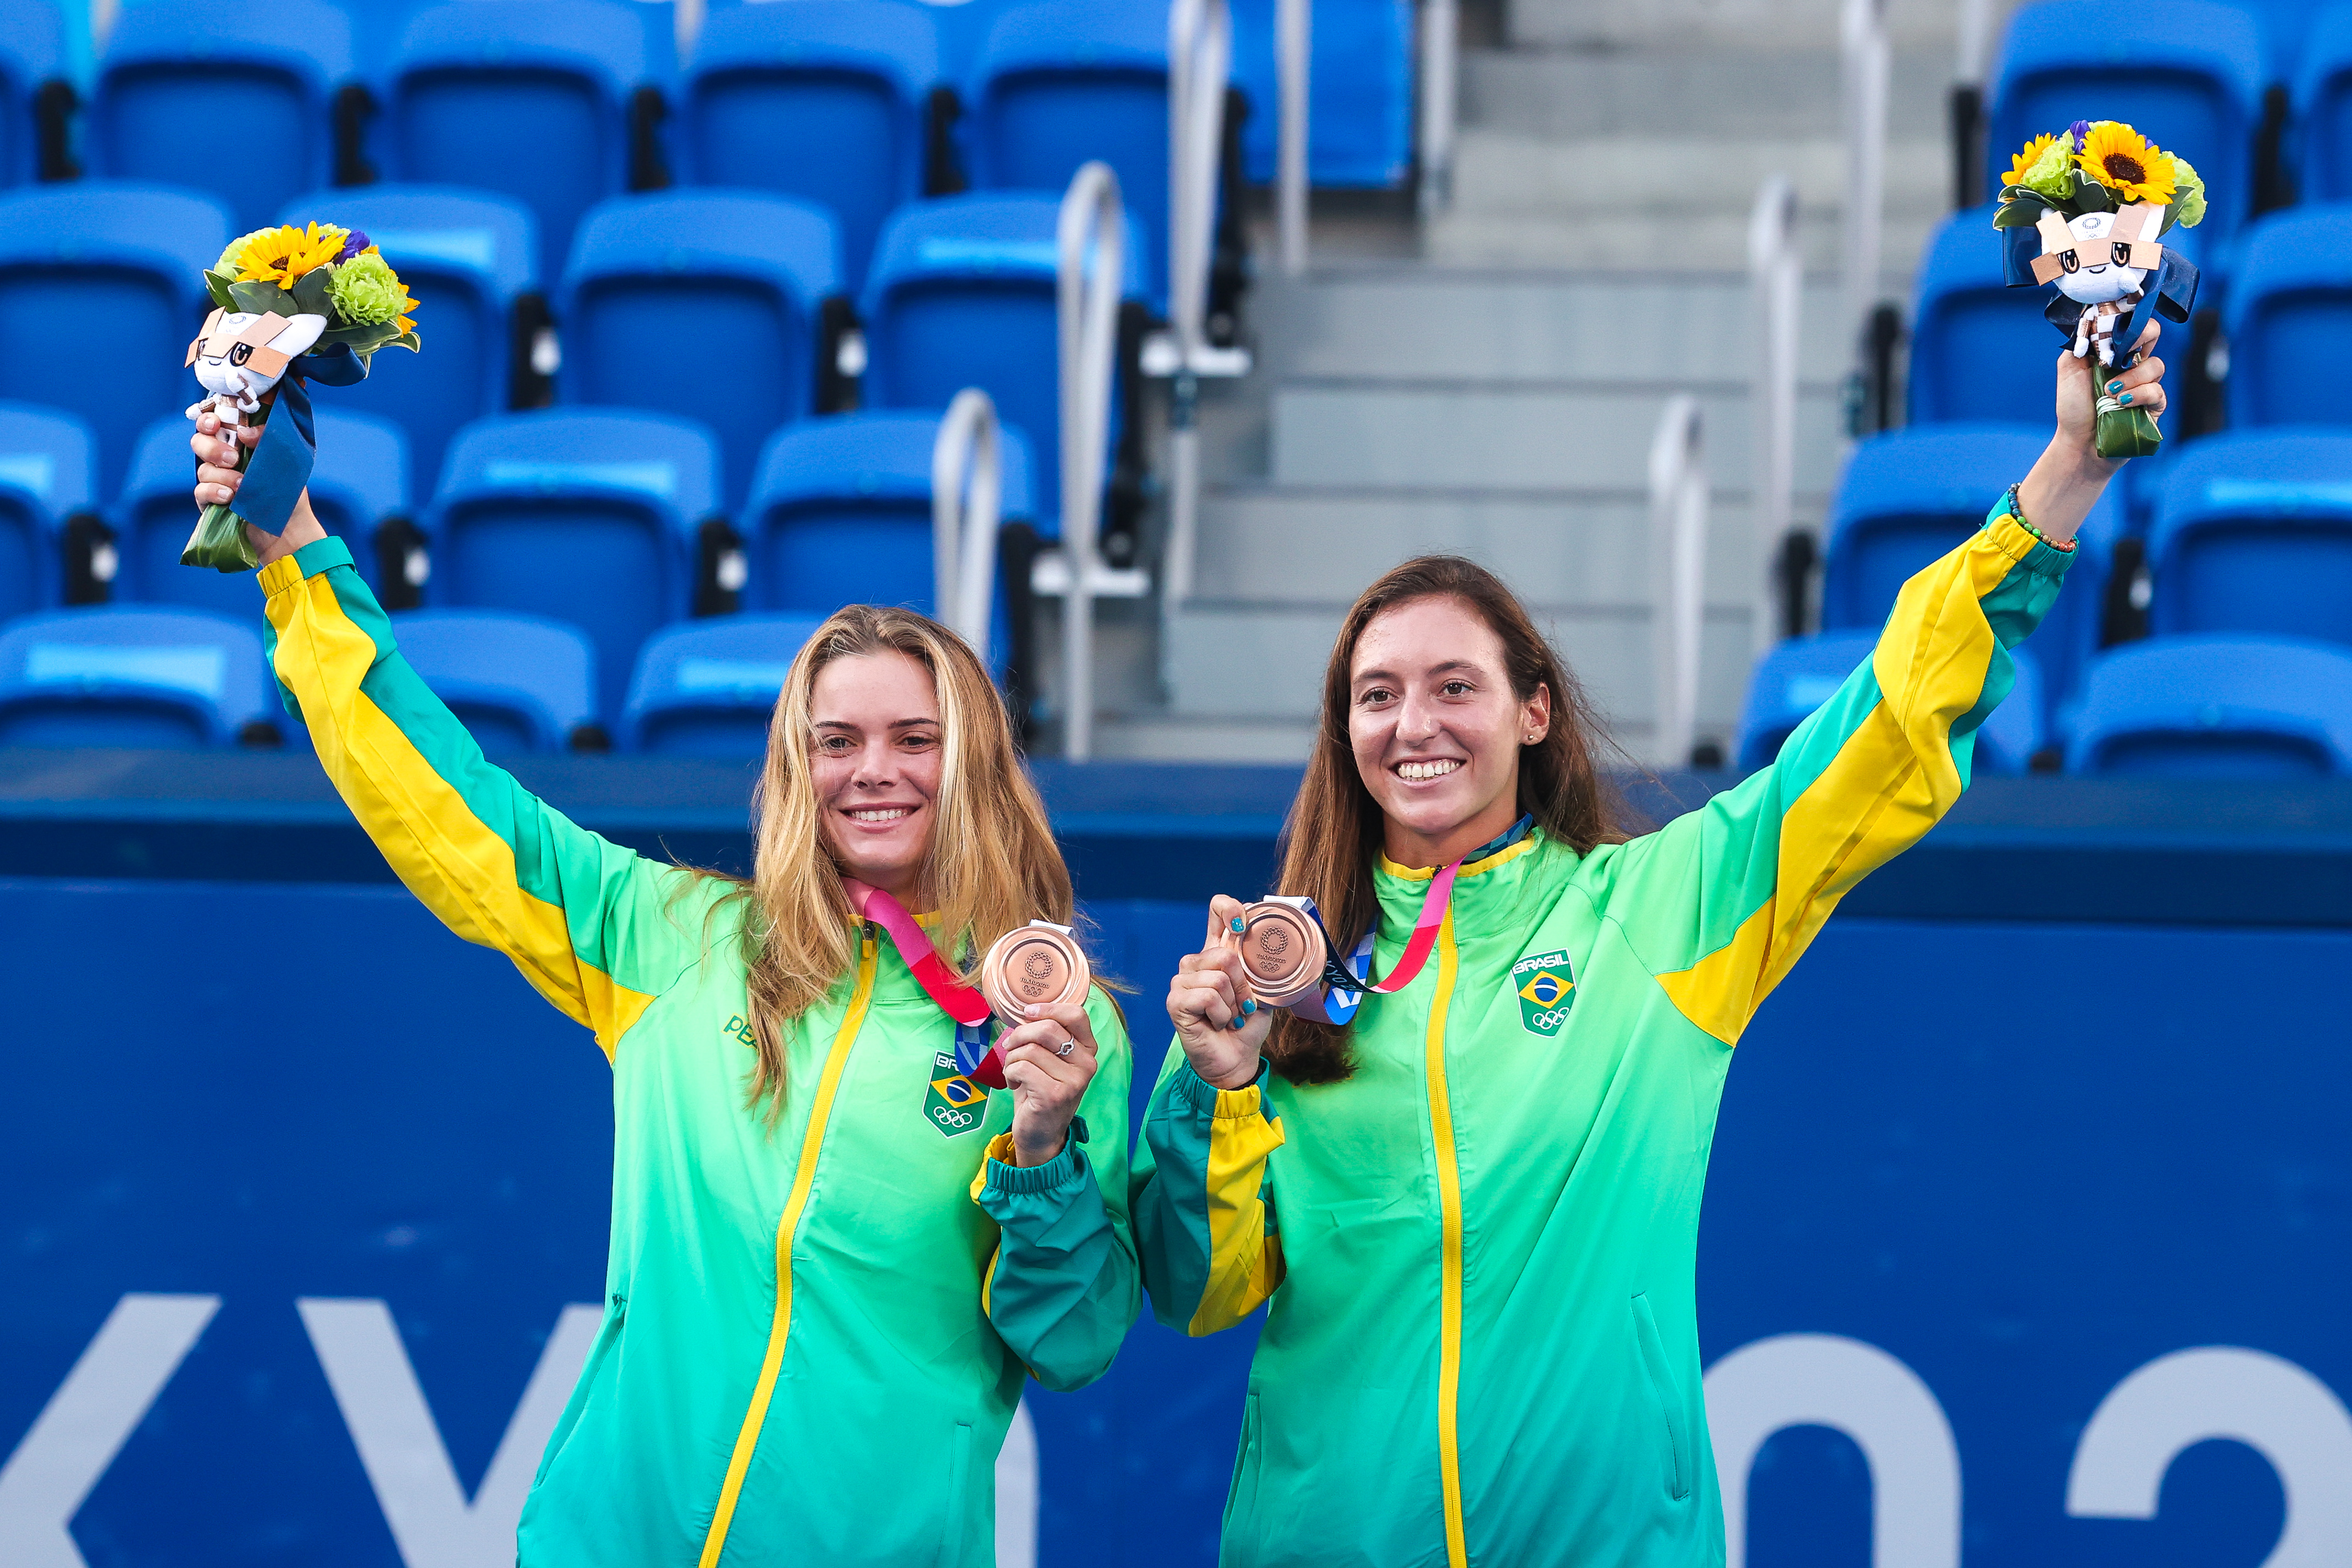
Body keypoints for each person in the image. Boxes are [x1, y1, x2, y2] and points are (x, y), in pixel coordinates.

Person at [1134, 329, 2168, 1566]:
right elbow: (1200, 1289)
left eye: (1454, 686)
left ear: (1532, 710)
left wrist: (2063, 475)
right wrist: (1218, 1083)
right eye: (1377, 693)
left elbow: (1888, 720)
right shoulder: (1277, 977)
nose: (1414, 724)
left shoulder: (1664, 907)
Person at [190, 420, 1139, 1566]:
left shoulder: (1058, 1025)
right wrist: (296, 550)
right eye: (835, 741)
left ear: (976, 760)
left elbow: (1077, 1339)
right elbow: (448, 797)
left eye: (914, 739)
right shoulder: (677, 937)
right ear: (797, 766)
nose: (871, 770)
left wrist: (1043, 1153)